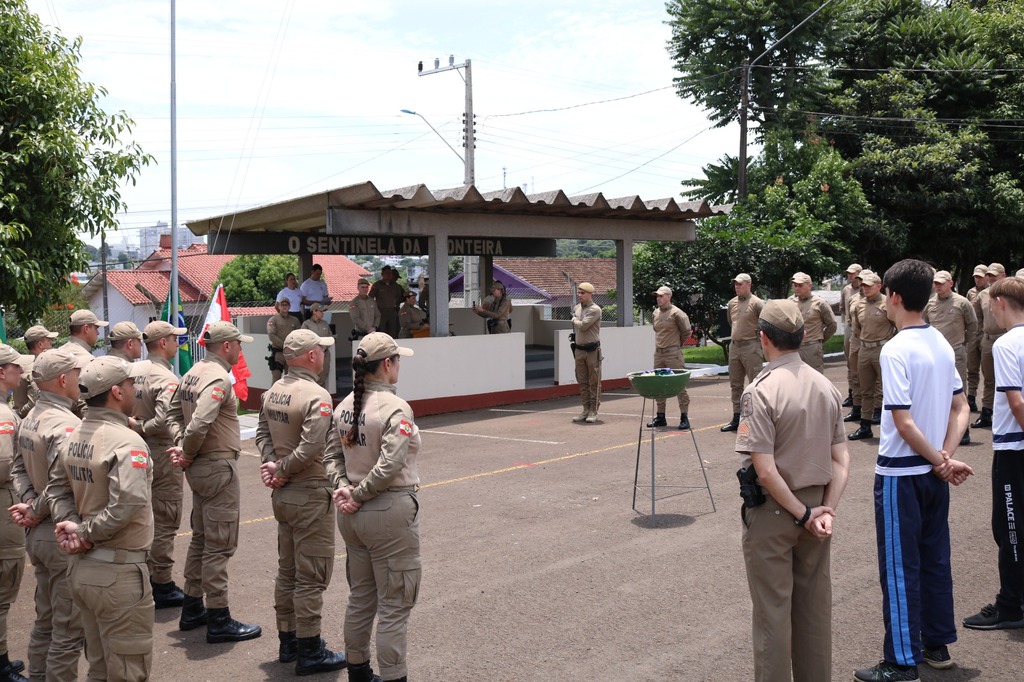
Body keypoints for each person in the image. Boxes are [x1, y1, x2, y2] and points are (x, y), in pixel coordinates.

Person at [854, 259, 973, 682]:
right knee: (935, 558)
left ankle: (901, 662)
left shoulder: (896, 348)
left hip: (902, 474)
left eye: (886, 292)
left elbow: (903, 422)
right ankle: (936, 644)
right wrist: (944, 456)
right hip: (932, 471)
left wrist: (939, 459)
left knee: (900, 567)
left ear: (896, 296)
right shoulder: (940, 342)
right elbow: (962, 408)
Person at [735, 299, 851, 682]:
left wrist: (802, 514)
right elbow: (842, 460)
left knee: (772, 615)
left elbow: (765, 471)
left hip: (775, 513)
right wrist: (825, 511)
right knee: (814, 612)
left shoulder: (760, 391)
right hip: (818, 508)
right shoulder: (826, 386)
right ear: (802, 337)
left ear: (764, 338)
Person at [46, 356, 154, 682]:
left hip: (82, 570)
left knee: (99, 668)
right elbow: (128, 503)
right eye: (131, 384)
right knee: (127, 672)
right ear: (117, 392)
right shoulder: (126, 441)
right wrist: (84, 532)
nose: (136, 388)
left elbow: (57, 490)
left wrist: (72, 529)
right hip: (117, 573)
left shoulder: (74, 436)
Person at [327, 332, 419, 682]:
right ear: (387, 364)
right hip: (386, 511)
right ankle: (394, 676)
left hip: (352, 515)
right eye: (398, 360)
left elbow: (332, 455)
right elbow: (390, 464)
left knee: (362, 597)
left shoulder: (345, 405)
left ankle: (358, 671)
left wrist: (343, 489)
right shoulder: (396, 407)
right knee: (394, 606)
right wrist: (358, 493)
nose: (399, 366)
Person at [255, 329, 347, 676]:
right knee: (311, 576)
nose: (323, 355)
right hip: (309, 492)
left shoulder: (274, 391)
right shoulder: (317, 395)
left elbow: (262, 433)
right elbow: (312, 448)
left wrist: (273, 466)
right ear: (311, 356)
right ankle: (310, 650)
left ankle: (288, 641)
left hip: (284, 493)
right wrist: (281, 468)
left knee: (288, 571)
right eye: (321, 350)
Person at [167, 321, 262, 643]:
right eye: (238, 344)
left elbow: (172, 416)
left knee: (201, 539)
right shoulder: (219, 379)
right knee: (219, 544)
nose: (240, 349)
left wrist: (183, 449)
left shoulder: (193, 372)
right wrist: (187, 450)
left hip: (200, 468)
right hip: (215, 466)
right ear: (226, 346)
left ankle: (193, 606)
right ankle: (218, 617)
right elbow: (198, 423)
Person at [8, 349, 89, 681]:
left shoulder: (29, 418)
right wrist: (37, 509)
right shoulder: (67, 424)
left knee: (46, 620)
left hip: (38, 532)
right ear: (62, 379)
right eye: (75, 373)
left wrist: (28, 504)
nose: (80, 379)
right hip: (59, 533)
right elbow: (61, 483)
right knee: (68, 630)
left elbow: (17, 468)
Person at [961, 275, 1024, 631]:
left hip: (1015, 447)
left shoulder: (1006, 344)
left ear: (999, 303)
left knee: (1009, 527)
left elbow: (1016, 402)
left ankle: (1010, 604)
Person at [133, 321, 189, 609]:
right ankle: (162, 582)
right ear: (163, 343)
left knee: (142, 515)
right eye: (174, 338)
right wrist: (140, 426)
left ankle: (144, 576)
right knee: (166, 517)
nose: (177, 342)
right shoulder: (165, 378)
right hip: (161, 454)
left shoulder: (133, 371)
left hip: (135, 454)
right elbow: (164, 421)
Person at [0, 345, 32, 682]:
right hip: (2, 505)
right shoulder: (4, 416)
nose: (20, 373)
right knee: (4, 585)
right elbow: (2, 466)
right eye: (15, 368)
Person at [923, 270, 978, 445]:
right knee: (937, 391)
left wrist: (962, 345)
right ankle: (943, 430)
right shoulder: (929, 304)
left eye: (941, 283)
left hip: (956, 351)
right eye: (936, 283)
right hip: (935, 353)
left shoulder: (962, 302)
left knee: (959, 391)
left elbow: (973, 326)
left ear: (951, 283)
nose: (938, 286)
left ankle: (964, 430)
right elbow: (925, 325)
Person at [848, 270, 896, 440]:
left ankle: (892, 429)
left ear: (879, 286)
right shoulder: (859, 305)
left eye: (868, 285)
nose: (865, 288)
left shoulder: (887, 304)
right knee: (865, 390)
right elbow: (858, 329)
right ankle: (865, 426)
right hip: (865, 350)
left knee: (887, 390)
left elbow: (896, 326)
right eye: (863, 285)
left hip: (882, 349)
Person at [721, 273, 764, 432]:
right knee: (735, 384)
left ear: (749, 285)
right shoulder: (732, 303)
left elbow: (765, 322)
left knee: (755, 383)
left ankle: (757, 418)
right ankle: (736, 417)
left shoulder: (757, 303)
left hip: (751, 346)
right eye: (735, 284)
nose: (737, 287)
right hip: (735, 346)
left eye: (740, 284)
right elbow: (731, 322)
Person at [647, 285, 692, 430]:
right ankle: (661, 416)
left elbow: (686, 332)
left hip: (673, 353)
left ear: (669, 297)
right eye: (657, 296)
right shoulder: (655, 313)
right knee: (658, 383)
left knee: (679, 384)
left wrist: (675, 345)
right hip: (659, 353)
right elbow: (656, 330)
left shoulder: (677, 313)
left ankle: (684, 417)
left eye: (661, 296)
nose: (658, 298)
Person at [972, 263, 1008, 429]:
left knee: (1010, 378)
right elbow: (977, 317)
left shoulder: (1011, 293)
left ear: (1003, 275)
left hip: (1006, 339)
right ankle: (986, 413)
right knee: (989, 379)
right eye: (989, 275)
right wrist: (980, 336)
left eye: (995, 275)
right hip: (988, 339)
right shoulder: (983, 295)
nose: (991, 278)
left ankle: (1009, 413)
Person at [788, 272, 837, 374]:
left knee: (814, 379)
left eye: (800, 285)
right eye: (795, 285)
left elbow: (832, 325)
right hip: (794, 348)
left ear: (809, 286)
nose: (797, 288)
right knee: (794, 379)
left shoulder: (819, 303)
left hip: (812, 348)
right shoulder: (790, 302)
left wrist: (819, 339)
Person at [571, 282, 602, 424]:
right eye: (579, 293)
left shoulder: (595, 309)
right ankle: (585, 409)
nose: (580, 295)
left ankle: (593, 410)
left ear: (590, 294)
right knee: (582, 380)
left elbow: (583, 326)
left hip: (591, 350)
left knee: (594, 381)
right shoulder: (577, 308)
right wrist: (576, 319)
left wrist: (574, 320)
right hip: (579, 349)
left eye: (582, 293)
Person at [13, 325, 57, 419]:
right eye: (49, 341)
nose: (51, 344)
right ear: (40, 345)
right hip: (32, 421)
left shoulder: (23, 365)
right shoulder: (37, 369)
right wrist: (17, 414)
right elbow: (34, 403)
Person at [966, 264, 989, 412]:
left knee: (988, 371)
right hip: (974, 334)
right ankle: (971, 397)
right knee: (972, 368)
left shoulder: (990, 292)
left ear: (987, 277)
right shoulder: (971, 292)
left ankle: (988, 402)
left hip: (986, 333)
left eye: (980, 277)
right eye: (976, 277)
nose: (977, 279)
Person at [840, 264, 863, 407]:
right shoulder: (846, 290)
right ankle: (852, 393)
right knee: (850, 361)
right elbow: (843, 308)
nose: (849, 276)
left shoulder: (865, 289)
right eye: (848, 273)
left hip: (865, 329)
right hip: (850, 327)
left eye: (852, 274)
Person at [268, 298, 302, 383]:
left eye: (286, 305)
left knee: (290, 379)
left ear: (289, 306)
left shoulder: (295, 320)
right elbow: (271, 335)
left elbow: (299, 334)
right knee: (276, 378)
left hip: (291, 354)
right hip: (278, 354)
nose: (284, 307)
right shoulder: (273, 320)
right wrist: (284, 345)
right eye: (282, 305)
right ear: (278, 306)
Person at [302, 303, 334, 389]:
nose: (323, 313)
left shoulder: (325, 324)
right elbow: (303, 339)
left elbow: (330, 336)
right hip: (312, 355)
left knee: (323, 375)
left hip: (325, 354)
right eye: (321, 311)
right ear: (314, 312)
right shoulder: (306, 324)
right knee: (312, 376)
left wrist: (324, 348)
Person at [370, 266, 405, 338]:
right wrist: (374, 310)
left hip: (392, 311)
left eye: (390, 273)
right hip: (381, 312)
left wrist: (396, 305)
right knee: (381, 332)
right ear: (382, 274)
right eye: (386, 273)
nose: (388, 275)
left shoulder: (395, 285)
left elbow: (400, 297)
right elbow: (370, 298)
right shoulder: (377, 285)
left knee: (393, 332)